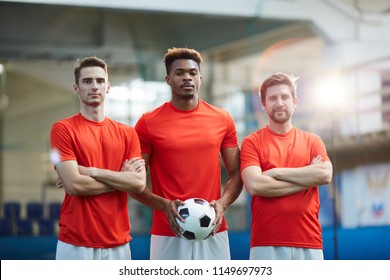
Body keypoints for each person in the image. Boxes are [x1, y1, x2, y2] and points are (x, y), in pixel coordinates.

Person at [130, 47, 243, 260]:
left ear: (200, 78)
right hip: (167, 233)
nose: (187, 78)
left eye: (192, 73)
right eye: (179, 73)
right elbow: (133, 183)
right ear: (168, 79)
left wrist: (222, 203)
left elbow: (237, 173)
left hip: (213, 228)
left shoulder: (222, 119)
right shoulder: (147, 123)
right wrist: (163, 205)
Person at [49, 56, 146, 260]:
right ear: (76, 88)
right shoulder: (61, 129)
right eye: (87, 81)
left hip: (119, 242)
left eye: (100, 81)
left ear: (108, 87)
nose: (94, 86)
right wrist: (121, 179)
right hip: (76, 242)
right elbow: (75, 186)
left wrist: (90, 171)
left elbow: (138, 184)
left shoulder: (128, 133)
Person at [240, 72, 333, 260]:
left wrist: (275, 172)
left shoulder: (312, 141)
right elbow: (256, 185)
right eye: (272, 98)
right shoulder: (252, 142)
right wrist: (307, 179)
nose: (279, 103)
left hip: (309, 241)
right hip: (266, 243)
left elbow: (325, 175)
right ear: (264, 105)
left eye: (285, 97)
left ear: (295, 101)